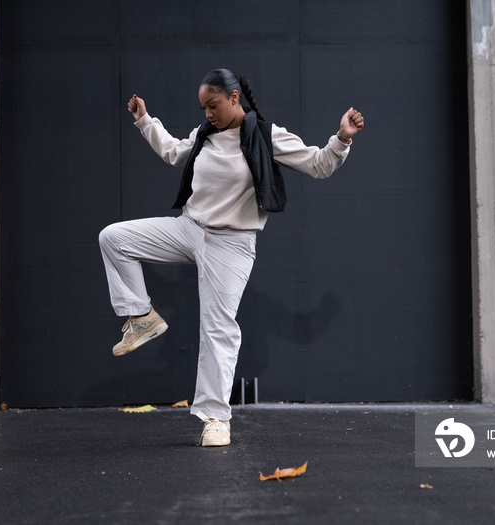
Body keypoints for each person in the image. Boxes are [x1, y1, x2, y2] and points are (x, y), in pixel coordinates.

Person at [99, 69, 364, 446]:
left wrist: (341, 139)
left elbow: (319, 164)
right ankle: (141, 316)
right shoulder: (205, 135)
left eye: (213, 105)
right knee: (114, 238)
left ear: (234, 97)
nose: (208, 113)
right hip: (190, 229)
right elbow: (174, 152)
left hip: (232, 243)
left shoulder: (266, 135)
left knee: (217, 329)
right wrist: (144, 120)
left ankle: (215, 418)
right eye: (204, 107)